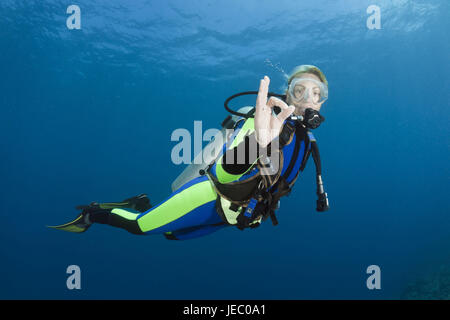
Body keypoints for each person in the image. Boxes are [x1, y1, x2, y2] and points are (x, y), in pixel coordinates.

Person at [49, 65, 330, 240]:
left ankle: (139, 201)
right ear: (288, 94)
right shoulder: (266, 121)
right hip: (209, 196)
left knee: (172, 234)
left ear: (323, 99)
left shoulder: (308, 143)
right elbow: (223, 171)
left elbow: (275, 182)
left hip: (233, 215)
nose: (308, 98)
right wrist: (257, 141)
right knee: (140, 227)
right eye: (299, 90)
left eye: (316, 93)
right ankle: (93, 214)